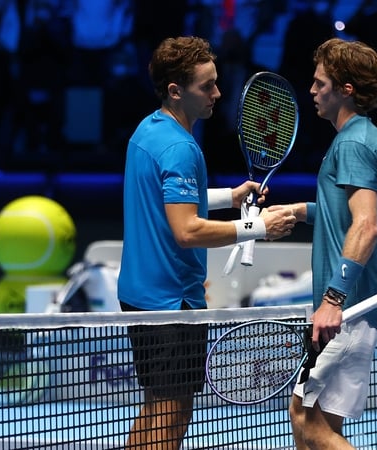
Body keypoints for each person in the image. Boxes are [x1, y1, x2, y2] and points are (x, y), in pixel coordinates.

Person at [116, 36, 296, 450]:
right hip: (170, 301)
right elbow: (187, 231)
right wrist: (258, 228)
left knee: (159, 405)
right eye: (207, 86)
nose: (218, 93)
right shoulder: (181, 147)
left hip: (141, 294)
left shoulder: (150, 129)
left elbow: (166, 201)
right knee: (171, 410)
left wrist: (228, 198)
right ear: (176, 90)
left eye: (216, 82)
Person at [269, 37, 377, 449]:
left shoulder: (354, 144)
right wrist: (299, 210)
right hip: (359, 308)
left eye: (320, 82)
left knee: (304, 419)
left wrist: (333, 299)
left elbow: (366, 226)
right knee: (321, 425)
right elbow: (346, 210)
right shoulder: (369, 139)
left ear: (346, 90)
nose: (311, 90)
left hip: (350, 309)